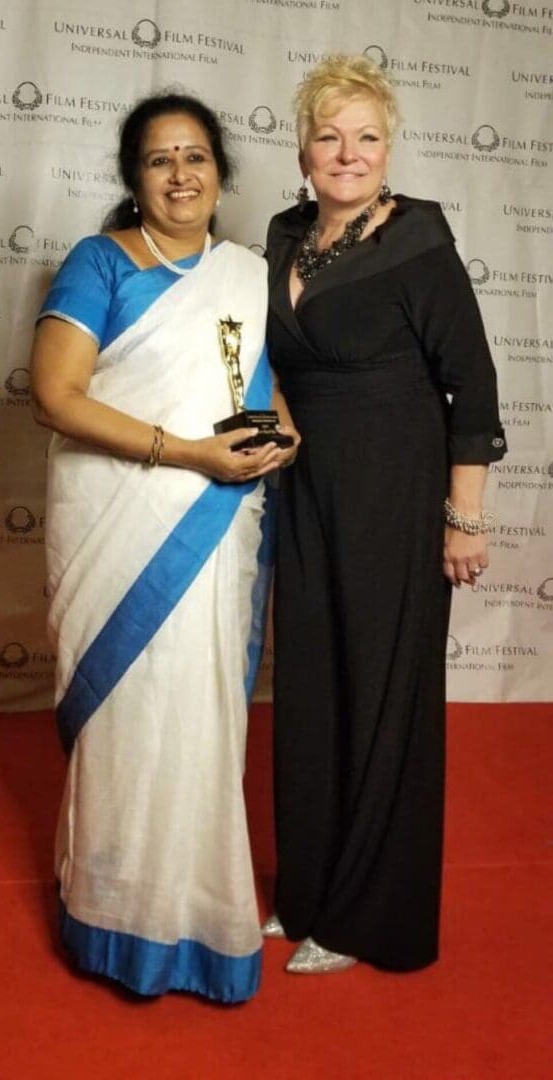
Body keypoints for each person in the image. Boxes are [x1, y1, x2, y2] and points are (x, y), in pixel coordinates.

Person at [30, 92, 298, 1003]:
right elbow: (57, 396)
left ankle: (193, 906)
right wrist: (184, 453)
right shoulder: (99, 263)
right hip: (121, 516)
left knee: (201, 717)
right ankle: (111, 907)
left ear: (220, 171)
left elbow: (264, 386)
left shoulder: (248, 272)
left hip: (219, 526)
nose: (180, 174)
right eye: (158, 160)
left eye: (195, 157)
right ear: (132, 178)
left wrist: (283, 438)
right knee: (129, 719)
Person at [262, 56, 506, 974]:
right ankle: (308, 893)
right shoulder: (284, 235)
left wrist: (463, 519)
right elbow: (272, 366)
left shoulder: (417, 243)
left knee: (381, 696)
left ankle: (370, 919)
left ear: (389, 146)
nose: (347, 152)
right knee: (313, 693)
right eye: (329, 135)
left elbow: (471, 389)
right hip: (307, 492)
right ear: (302, 148)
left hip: (396, 495)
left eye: (366, 136)